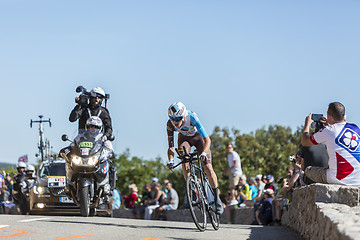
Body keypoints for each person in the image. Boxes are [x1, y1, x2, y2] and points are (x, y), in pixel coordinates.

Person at [166, 102, 223, 214]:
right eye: (172, 118)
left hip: (199, 139)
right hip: (184, 139)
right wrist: (171, 160)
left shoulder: (192, 118)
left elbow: (207, 140)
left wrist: (203, 153)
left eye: (177, 118)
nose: (175, 122)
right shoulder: (170, 124)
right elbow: (171, 147)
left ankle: (217, 199)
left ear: (183, 116)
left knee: (208, 167)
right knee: (183, 157)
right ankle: (191, 188)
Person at [301, 102, 360, 187]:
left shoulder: (329, 130)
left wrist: (307, 125)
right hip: (357, 180)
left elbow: (305, 141)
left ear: (329, 116)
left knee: (308, 170)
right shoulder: (356, 128)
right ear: (344, 115)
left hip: (337, 178)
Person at [223, 143, 243, 207]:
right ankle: (235, 199)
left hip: (236, 172)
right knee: (232, 187)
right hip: (232, 172)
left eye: (230, 147)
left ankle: (234, 200)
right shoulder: (229, 155)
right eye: (228, 148)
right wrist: (226, 170)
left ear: (232, 148)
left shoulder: (234, 154)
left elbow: (235, 164)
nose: (229, 149)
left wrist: (228, 170)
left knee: (233, 187)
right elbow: (230, 165)